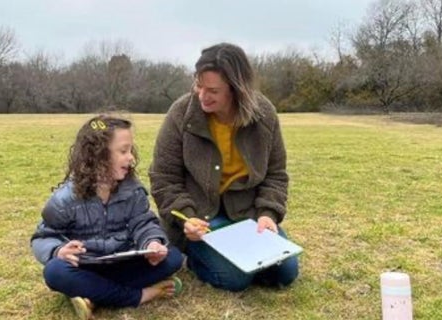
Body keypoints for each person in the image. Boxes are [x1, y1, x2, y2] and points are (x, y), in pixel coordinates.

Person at [149, 43, 299, 292]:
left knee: (285, 273)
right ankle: (192, 257)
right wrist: (186, 216)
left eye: (213, 90)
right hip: (200, 220)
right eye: (199, 86)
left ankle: (244, 258)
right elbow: (163, 177)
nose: (202, 96)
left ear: (237, 89)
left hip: (248, 217)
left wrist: (267, 214)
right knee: (234, 279)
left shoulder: (264, 115)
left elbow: (275, 175)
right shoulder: (180, 114)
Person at [30, 115, 183, 319]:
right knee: (55, 272)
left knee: (173, 257)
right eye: (123, 151)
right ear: (98, 156)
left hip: (124, 264)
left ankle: (92, 295)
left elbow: (144, 223)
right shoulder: (65, 199)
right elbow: (43, 237)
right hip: (85, 268)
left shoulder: (133, 191)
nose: (131, 157)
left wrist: (153, 243)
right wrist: (59, 251)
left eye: (131, 150)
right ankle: (140, 295)